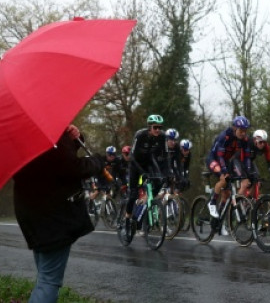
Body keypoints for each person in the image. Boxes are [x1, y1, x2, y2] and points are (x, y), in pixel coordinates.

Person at [13, 124, 103, 303]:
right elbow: (68, 166)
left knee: (45, 275)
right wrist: (97, 162)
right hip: (53, 216)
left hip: (32, 213)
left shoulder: (20, 134)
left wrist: (75, 140)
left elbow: (51, 160)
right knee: (49, 281)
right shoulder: (45, 128)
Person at [123, 115, 171, 235]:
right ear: (149, 127)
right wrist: (142, 173)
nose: (158, 130)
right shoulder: (140, 135)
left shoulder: (162, 137)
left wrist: (168, 173)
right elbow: (132, 157)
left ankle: (147, 201)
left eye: (160, 127)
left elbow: (166, 156)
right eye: (155, 127)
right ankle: (127, 219)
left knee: (159, 180)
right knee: (133, 194)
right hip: (136, 164)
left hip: (149, 162)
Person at [206, 116, 256, 216]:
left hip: (226, 161)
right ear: (234, 128)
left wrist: (248, 172)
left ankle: (219, 219)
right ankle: (212, 203)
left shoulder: (244, 139)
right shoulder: (225, 136)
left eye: (245, 130)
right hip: (214, 159)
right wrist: (224, 171)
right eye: (241, 130)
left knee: (227, 194)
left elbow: (246, 158)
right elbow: (220, 156)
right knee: (223, 179)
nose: (243, 133)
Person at [246, 129, 270, 195]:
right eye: (260, 142)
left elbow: (269, 161)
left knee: (257, 181)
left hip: (250, 161)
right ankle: (240, 200)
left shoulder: (266, 147)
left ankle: (250, 200)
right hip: (241, 161)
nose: (262, 144)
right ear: (255, 140)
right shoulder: (249, 143)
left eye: (264, 142)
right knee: (246, 181)